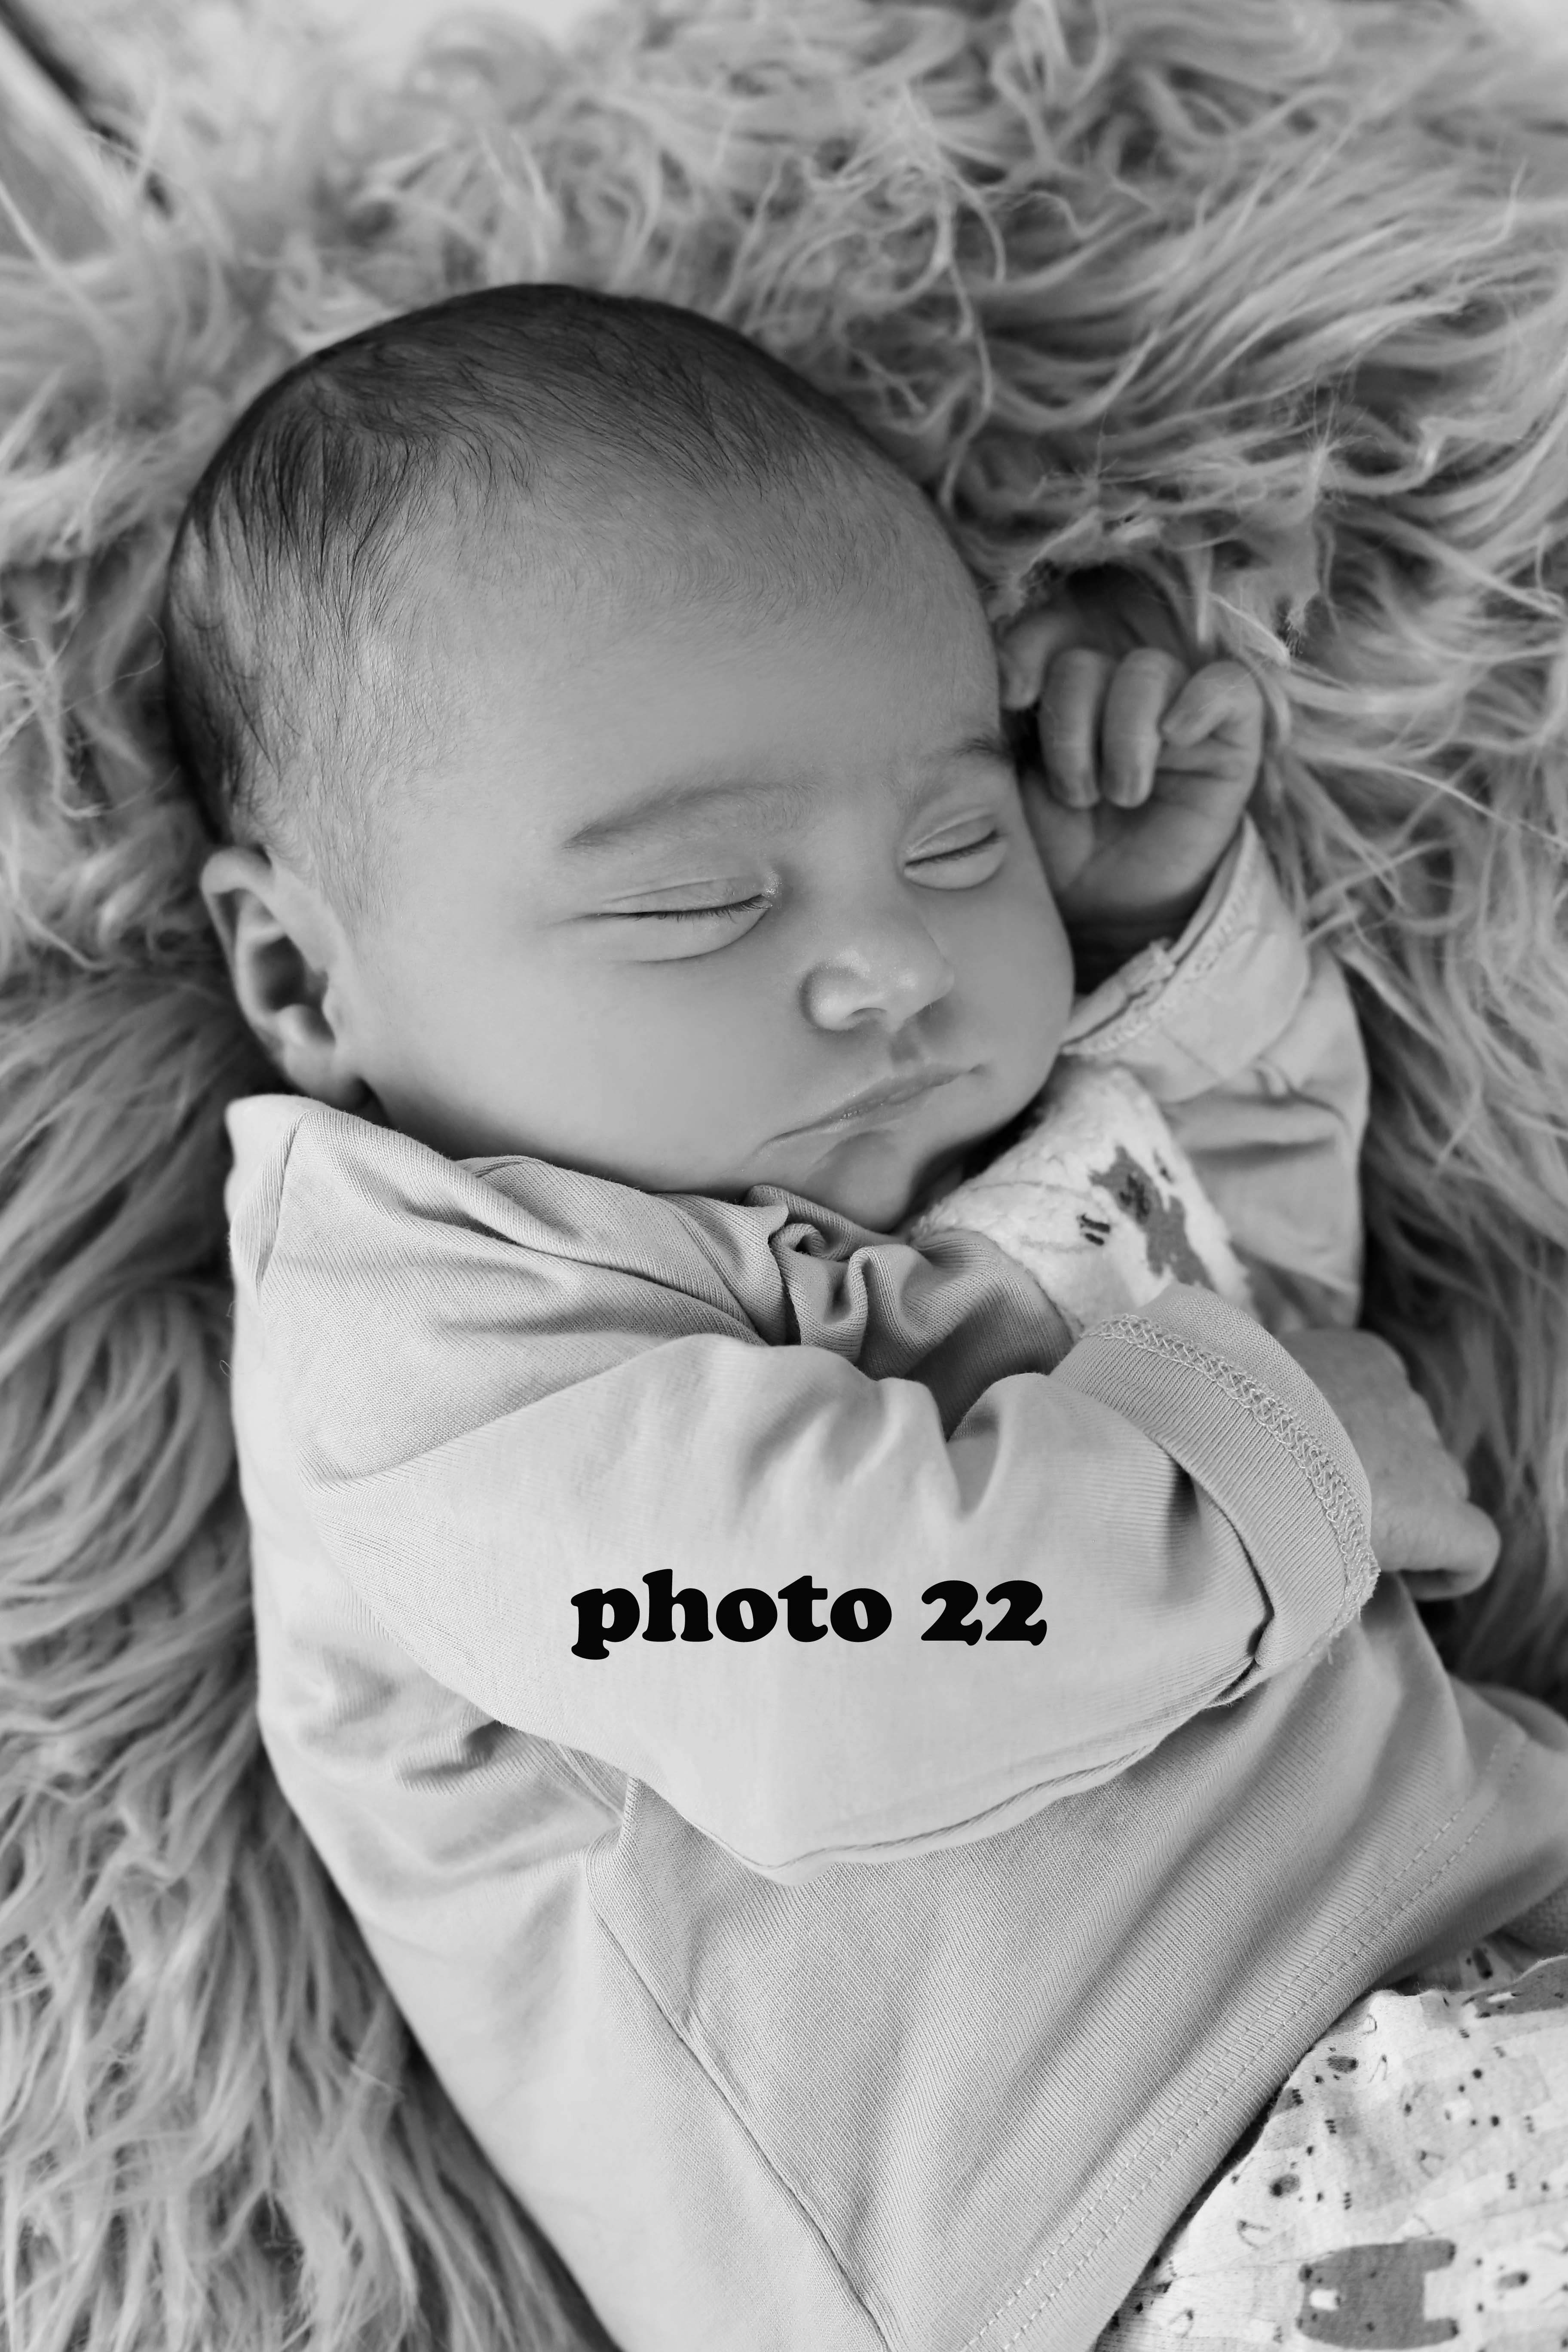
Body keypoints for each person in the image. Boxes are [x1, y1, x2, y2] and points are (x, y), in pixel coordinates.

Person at [161, 281, 1568, 2352]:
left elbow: (1270, 1309)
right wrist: (1283, 1464)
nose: (894, 964)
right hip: (1154, 2231)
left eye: (953, 836)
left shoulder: (951, 1148)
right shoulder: (422, 1347)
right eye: (700, 899)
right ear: (303, 976)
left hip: (1486, 1963)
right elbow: (845, 1667)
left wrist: (1146, 940)